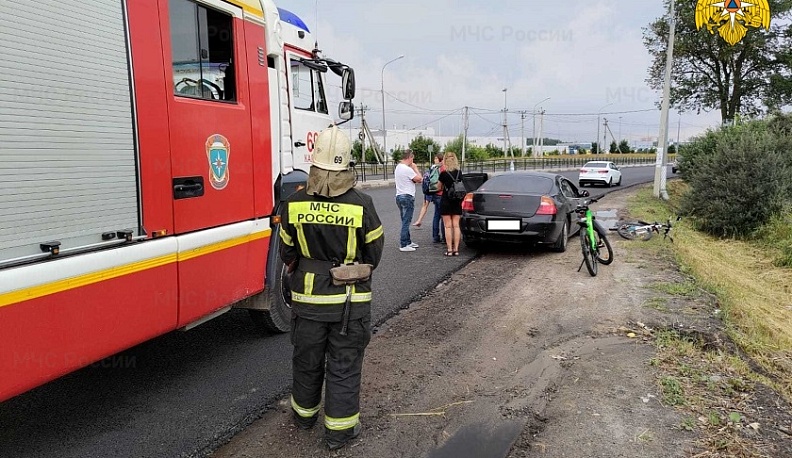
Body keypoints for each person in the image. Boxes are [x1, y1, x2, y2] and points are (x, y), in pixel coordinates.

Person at [278, 125, 385, 451]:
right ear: (347, 164)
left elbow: (287, 253)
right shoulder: (362, 204)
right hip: (349, 305)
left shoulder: (293, 203)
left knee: (307, 360)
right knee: (344, 365)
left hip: (307, 303)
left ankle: (304, 417)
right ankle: (339, 433)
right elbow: (374, 254)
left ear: (314, 160)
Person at [412, 152, 445, 243]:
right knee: (443, 217)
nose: (434, 160)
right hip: (441, 194)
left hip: (433, 192)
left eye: (435, 158)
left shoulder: (433, 167)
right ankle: (444, 238)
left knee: (436, 215)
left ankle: (435, 236)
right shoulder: (442, 168)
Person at [394, 149, 422, 252]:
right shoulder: (407, 169)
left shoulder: (398, 167)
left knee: (404, 219)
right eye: (412, 159)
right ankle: (403, 244)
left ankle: (408, 241)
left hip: (399, 196)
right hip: (407, 196)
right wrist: (415, 168)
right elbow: (419, 178)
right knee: (406, 221)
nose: (412, 161)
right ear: (410, 157)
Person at [438, 151, 464, 256]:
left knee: (448, 226)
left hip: (446, 200)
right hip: (457, 200)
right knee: (456, 226)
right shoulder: (459, 172)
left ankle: (449, 250)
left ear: (445, 160)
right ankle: (456, 250)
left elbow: (438, 187)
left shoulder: (443, 174)